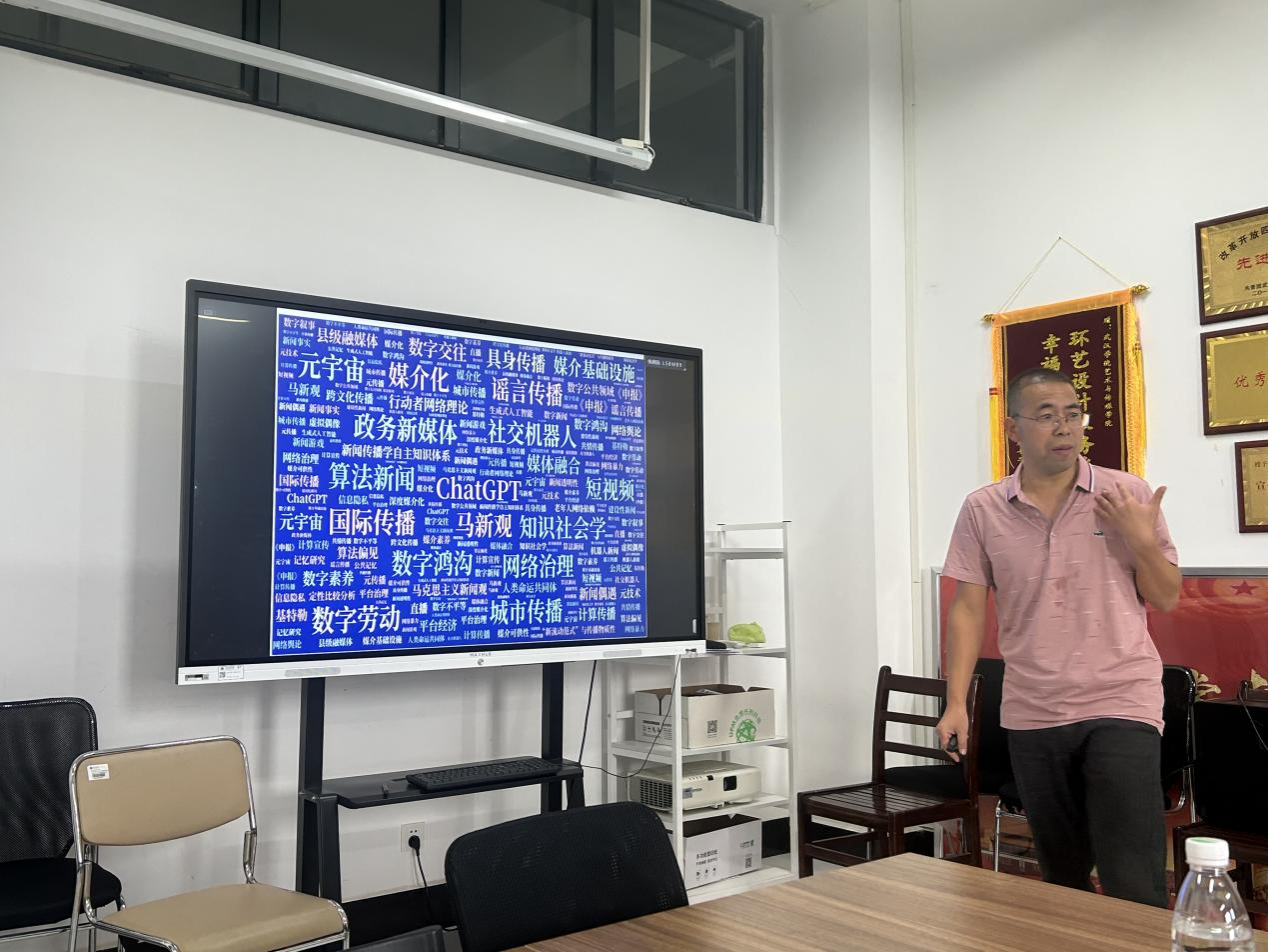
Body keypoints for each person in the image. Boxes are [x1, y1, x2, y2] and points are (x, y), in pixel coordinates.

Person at [936, 367, 1180, 907]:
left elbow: (1165, 596)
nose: (1064, 427)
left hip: (1122, 699)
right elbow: (967, 610)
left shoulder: (1126, 494)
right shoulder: (983, 508)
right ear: (1013, 429)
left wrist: (1140, 539)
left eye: (1073, 414)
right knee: (1063, 879)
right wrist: (956, 703)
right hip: (1034, 708)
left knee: (1132, 880)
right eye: (1046, 416)